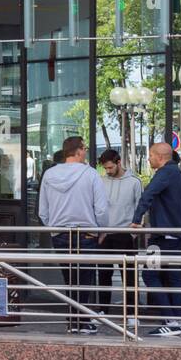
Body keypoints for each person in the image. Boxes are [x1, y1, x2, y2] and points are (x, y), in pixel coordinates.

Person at [38, 136, 108, 334]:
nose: (85, 152)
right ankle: (82, 322)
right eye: (84, 148)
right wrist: (100, 230)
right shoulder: (91, 174)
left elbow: (43, 210)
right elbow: (101, 209)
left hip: (60, 234)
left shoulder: (49, 175)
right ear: (78, 151)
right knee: (85, 279)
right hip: (86, 233)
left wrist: (53, 227)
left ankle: (73, 321)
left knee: (69, 277)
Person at [131, 141, 181, 338]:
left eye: (150, 155)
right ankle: (176, 322)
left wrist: (136, 219)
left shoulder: (164, 174)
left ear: (160, 156)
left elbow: (147, 194)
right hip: (176, 235)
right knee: (174, 277)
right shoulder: (179, 175)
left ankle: (172, 322)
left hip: (163, 237)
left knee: (149, 275)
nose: (148, 158)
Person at [96, 149, 142, 320]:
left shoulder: (134, 182)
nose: (107, 171)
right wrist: (99, 231)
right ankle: (103, 311)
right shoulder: (101, 181)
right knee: (104, 274)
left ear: (118, 162)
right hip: (105, 234)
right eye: (105, 168)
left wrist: (134, 233)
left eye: (110, 167)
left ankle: (131, 314)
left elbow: (140, 207)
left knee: (129, 276)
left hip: (125, 234)